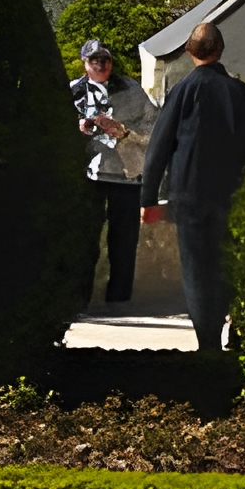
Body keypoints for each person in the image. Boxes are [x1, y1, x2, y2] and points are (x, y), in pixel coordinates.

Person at [141, 21, 245, 355]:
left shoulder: (182, 91)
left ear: (189, 51)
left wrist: (148, 198)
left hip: (189, 196)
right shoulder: (241, 93)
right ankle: (232, 329)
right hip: (233, 195)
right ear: (220, 50)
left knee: (197, 271)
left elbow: (159, 147)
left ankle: (206, 343)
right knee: (228, 265)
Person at [71, 39, 155, 306]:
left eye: (105, 59)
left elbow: (154, 124)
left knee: (124, 241)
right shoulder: (73, 91)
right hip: (88, 175)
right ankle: (79, 298)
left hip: (126, 174)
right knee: (84, 238)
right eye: (94, 60)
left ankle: (119, 300)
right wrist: (80, 126)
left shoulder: (131, 88)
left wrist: (125, 132)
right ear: (84, 63)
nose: (100, 64)